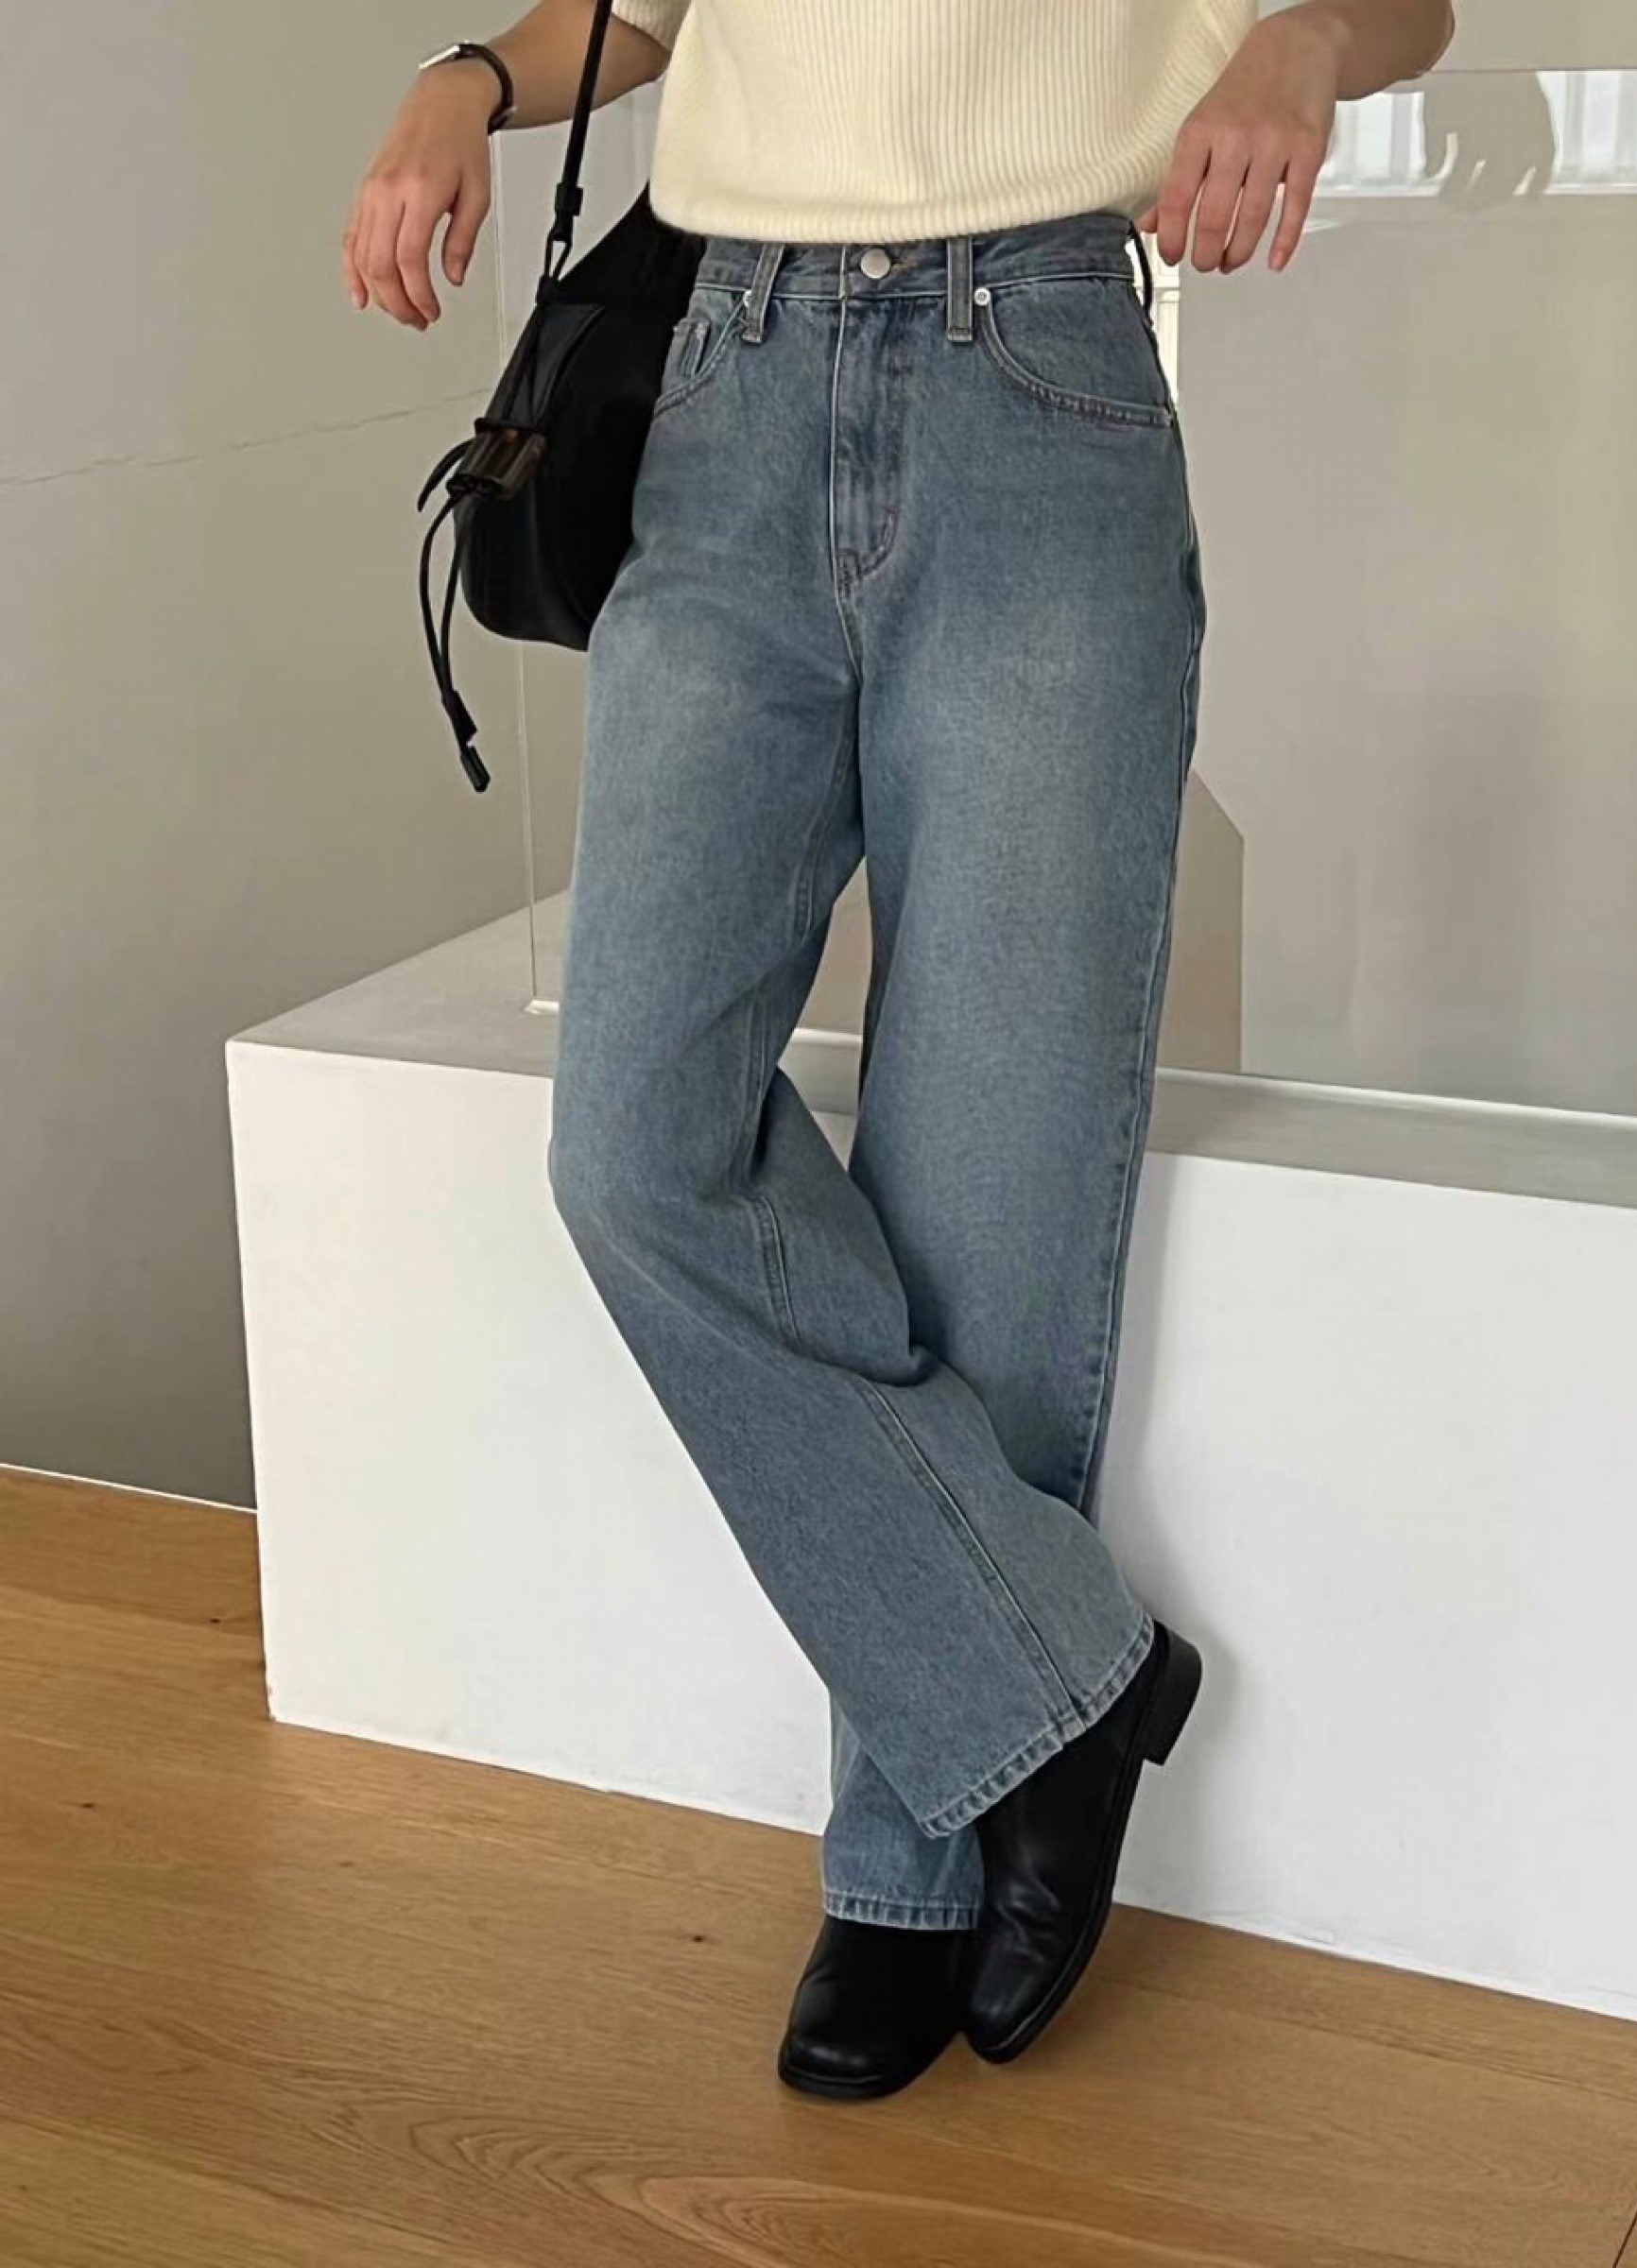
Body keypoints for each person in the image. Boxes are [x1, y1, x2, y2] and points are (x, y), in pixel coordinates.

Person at [345, 0, 1456, 2100]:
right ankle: (1064, 1694)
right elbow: (641, 14)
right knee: (636, 1144)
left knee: (992, 1186)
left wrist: (1307, 36)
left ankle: (908, 1875)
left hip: (1042, 370)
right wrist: (463, 79)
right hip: (729, 381)